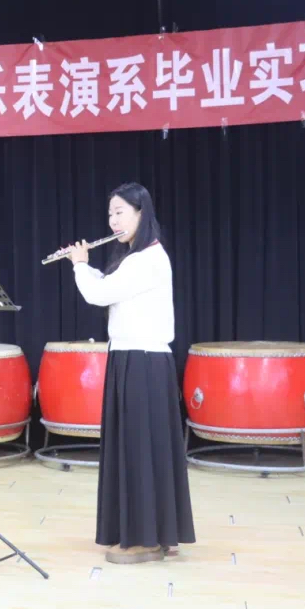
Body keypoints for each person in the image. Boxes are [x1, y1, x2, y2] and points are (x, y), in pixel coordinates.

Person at [65, 182, 195, 564]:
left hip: (141, 362)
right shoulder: (138, 258)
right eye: (110, 213)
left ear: (141, 213)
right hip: (134, 359)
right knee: (146, 449)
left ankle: (146, 539)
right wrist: (86, 268)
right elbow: (108, 288)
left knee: (140, 450)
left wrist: (79, 264)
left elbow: (100, 294)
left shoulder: (146, 260)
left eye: (120, 212)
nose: (113, 221)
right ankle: (160, 531)